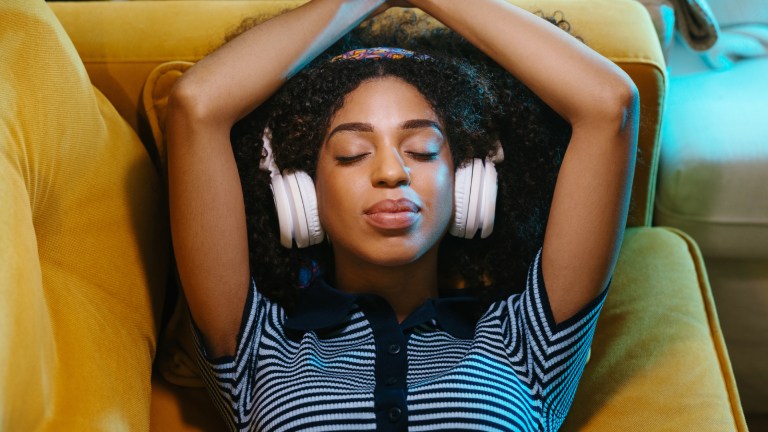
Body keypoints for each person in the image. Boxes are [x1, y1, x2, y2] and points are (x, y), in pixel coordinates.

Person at [166, 0, 639, 430]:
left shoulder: (524, 344)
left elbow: (608, 106)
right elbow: (196, 107)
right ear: (304, 193)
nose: (392, 172)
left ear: (470, 183)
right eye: (352, 153)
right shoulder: (260, 350)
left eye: (422, 149)